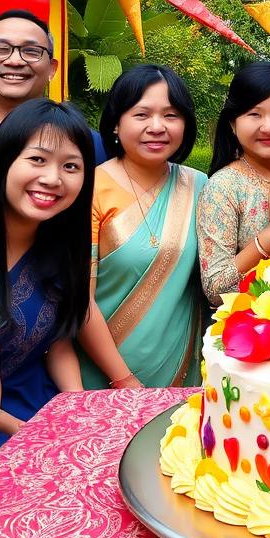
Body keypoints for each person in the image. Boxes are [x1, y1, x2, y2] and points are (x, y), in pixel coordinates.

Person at [0, 99, 103, 447]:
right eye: (37, 159)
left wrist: (77, 405)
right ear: (5, 160)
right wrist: (26, 433)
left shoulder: (62, 250)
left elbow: (57, 344)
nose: (52, 179)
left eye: (71, 166)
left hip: (42, 409)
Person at [79, 65, 207, 389]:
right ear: (116, 124)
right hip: (104, 377)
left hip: (182, 370)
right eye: (141, 115)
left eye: (170, 115)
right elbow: (80, 301)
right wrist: (123, 380)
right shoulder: (89, 189)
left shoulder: (200, 186)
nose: (157, 127)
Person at [196, 62, 270, 306]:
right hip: (249, 331)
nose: (269, 126)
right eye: (254, 114)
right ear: (233, 123)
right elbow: (215, 289)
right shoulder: (223, 187)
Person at [0, 9, 106, 161]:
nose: (15, 61)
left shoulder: (89, 145)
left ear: (52, 69)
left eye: (31, 51)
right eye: (0, 49)